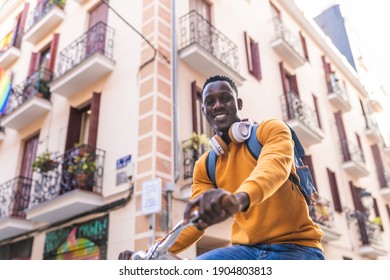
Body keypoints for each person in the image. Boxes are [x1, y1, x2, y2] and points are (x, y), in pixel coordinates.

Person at [119, 74, 324, 260]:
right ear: (204, 110)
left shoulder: (270, 130)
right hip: (246, 251)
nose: (217, 105)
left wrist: (238, 199)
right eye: (210, 102)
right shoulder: (205, 165)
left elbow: (273, 168)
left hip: (299, 248)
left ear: (238, 103)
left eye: (225, 98)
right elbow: (193, 222)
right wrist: (151, 253)